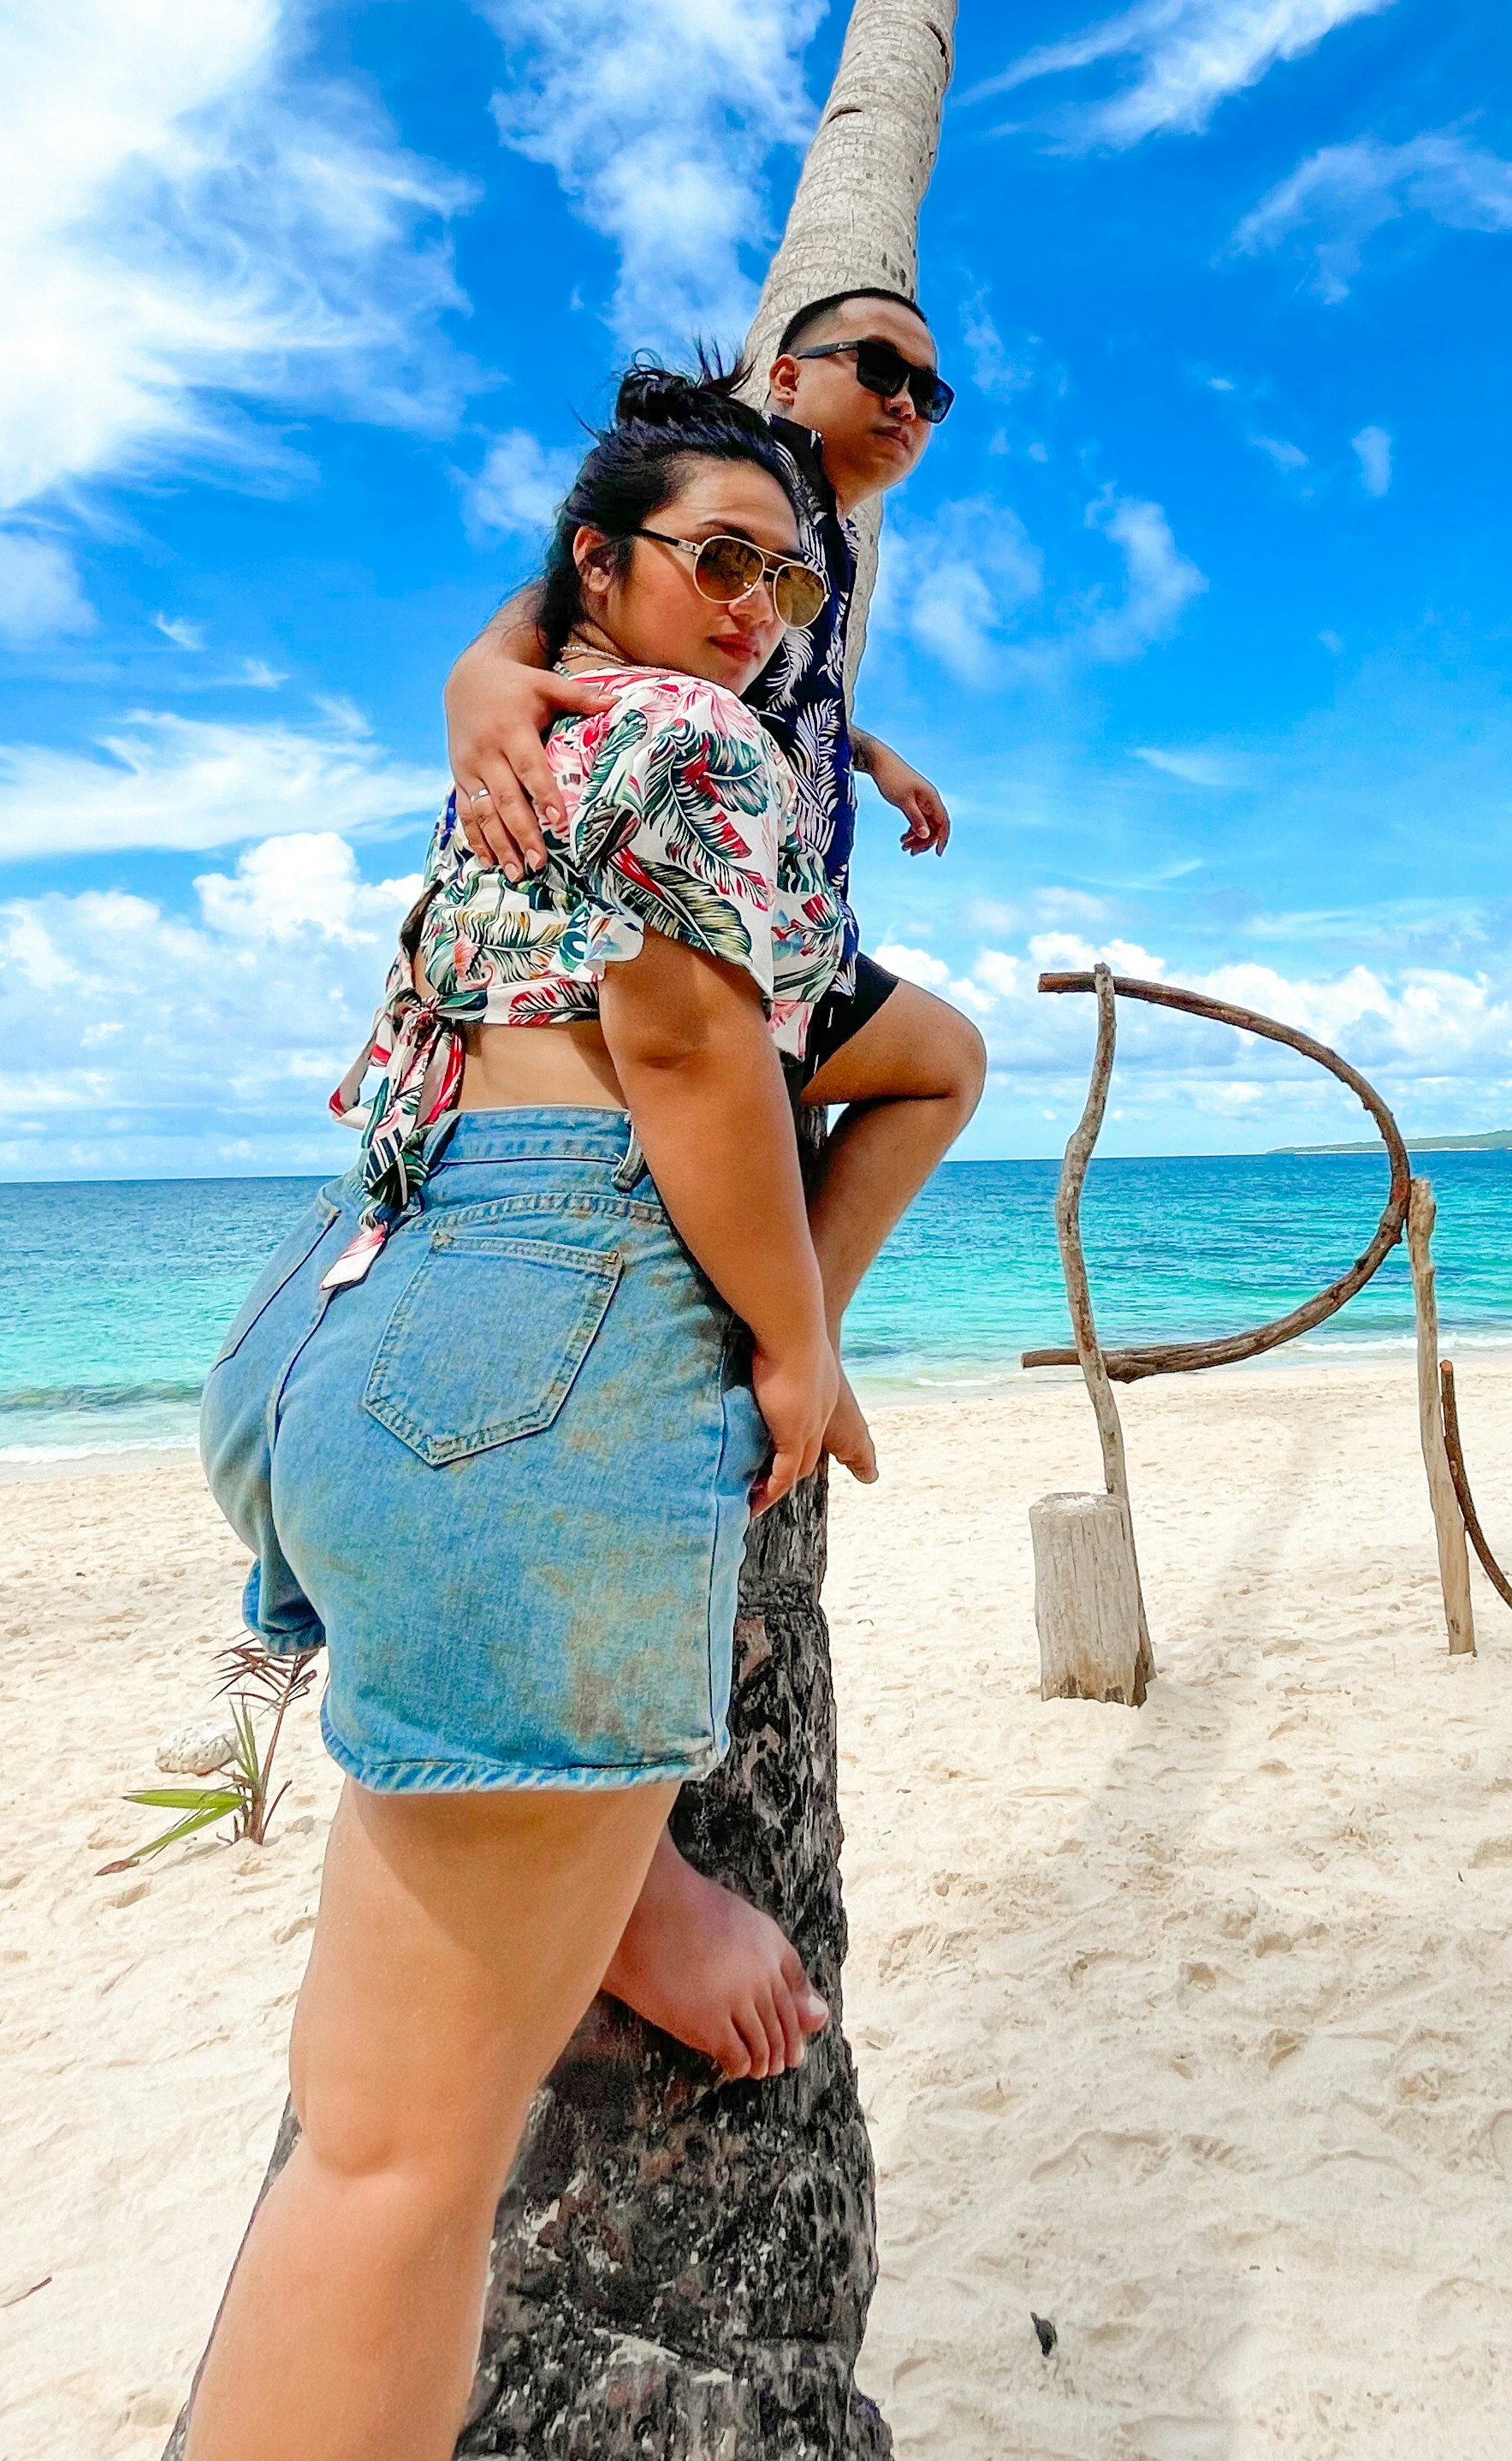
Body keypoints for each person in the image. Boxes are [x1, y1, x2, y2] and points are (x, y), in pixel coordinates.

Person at [187, 375, 877, 2461]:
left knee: (366, 2137)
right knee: (400, 2186)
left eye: (787, 575)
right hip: (537, 1349)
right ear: (604, 559)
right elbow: (685, 1049)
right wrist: (795, 1338)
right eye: (718, 559)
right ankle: (621, 1875)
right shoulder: (692, 743)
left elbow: (801, 1027)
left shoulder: (540, 726)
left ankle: (627, 1883)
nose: (757, 606)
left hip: (349, 1316)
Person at [445, 284, 986, 1332]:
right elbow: (582, 565)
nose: (907, 403)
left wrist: (872, 755)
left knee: (940, 1060)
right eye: (878, 369)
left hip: (755, 906)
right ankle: (803, 1337)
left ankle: (797, 1333)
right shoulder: (765, 473)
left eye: (932, 391)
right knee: (945, 1063)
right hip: (707, 904)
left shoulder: (834, 534)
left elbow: (792, 688)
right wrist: (480, 672)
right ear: (788, 377)